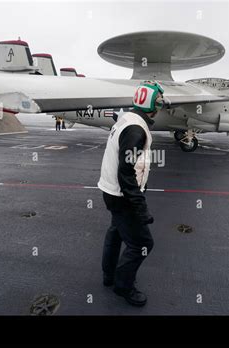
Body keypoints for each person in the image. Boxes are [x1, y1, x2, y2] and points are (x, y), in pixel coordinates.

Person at [98, 81, 165, 307]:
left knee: (116, 232)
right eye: (158, 103)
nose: (159, 108)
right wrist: (140, 206)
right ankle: (123, 286)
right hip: (122, 195)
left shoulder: (127, 118)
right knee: (142, 243)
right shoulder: (136, 130)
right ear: (150, 104)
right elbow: (126, 172)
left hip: (111, 191)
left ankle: (109, 275)